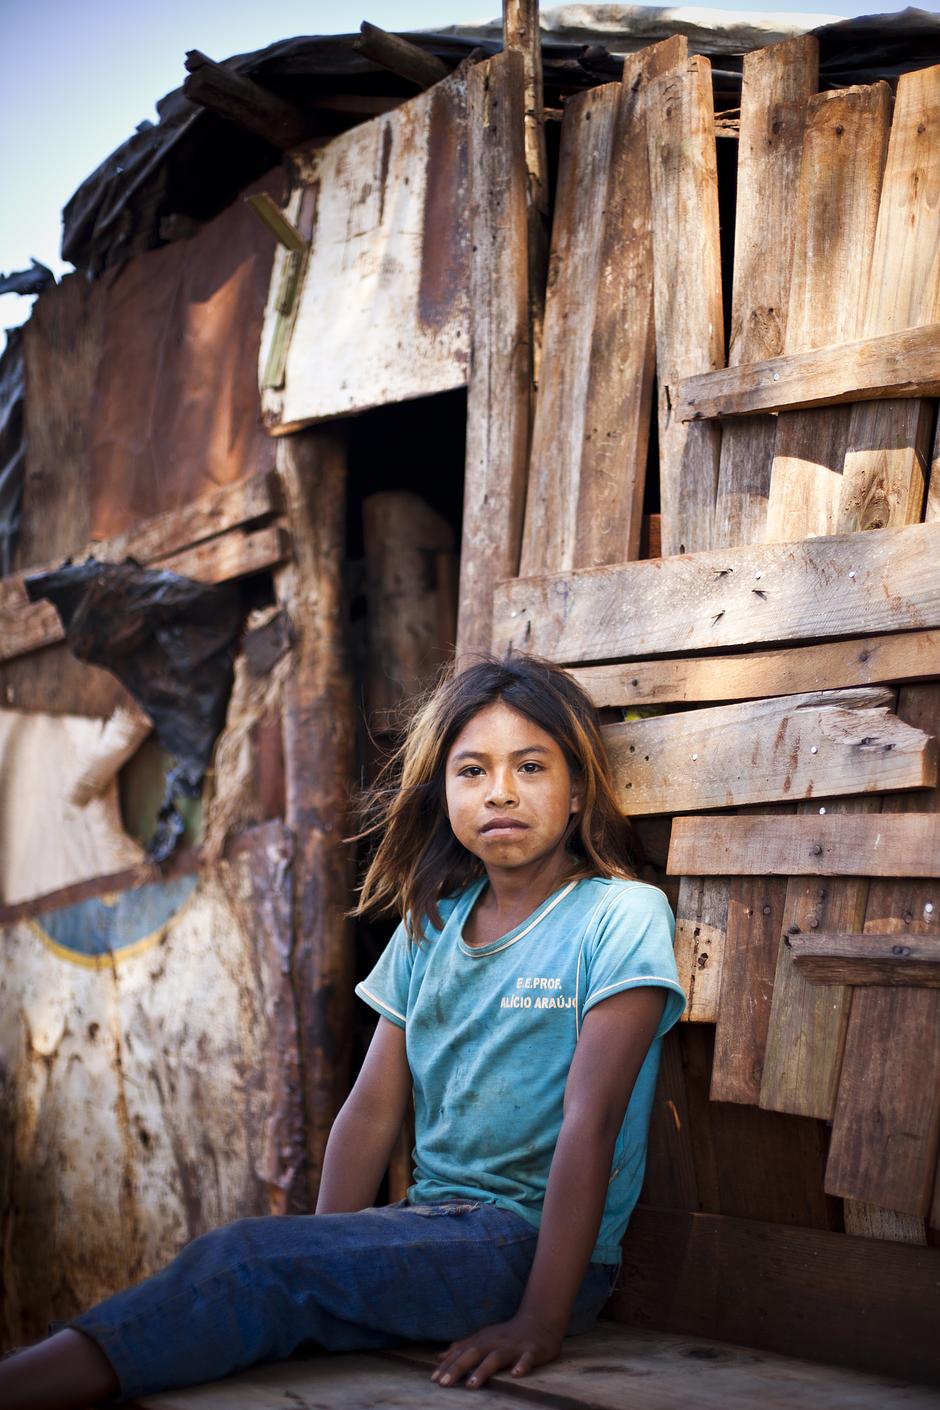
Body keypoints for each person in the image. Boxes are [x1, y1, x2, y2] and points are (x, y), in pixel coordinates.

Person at [2, 654, 685, 1408]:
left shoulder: (618, 915)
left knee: (245, 1262)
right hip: (435, 1230)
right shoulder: (431, 929)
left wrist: (541, 1318)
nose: (501, 792)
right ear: (444, 793)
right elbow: (369, 1111)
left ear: (578, 787)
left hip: (529, 1251)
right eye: (471, 771)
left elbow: (591, 1124)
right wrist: (324, 1249)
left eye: (531, 766)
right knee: (259, 1264)